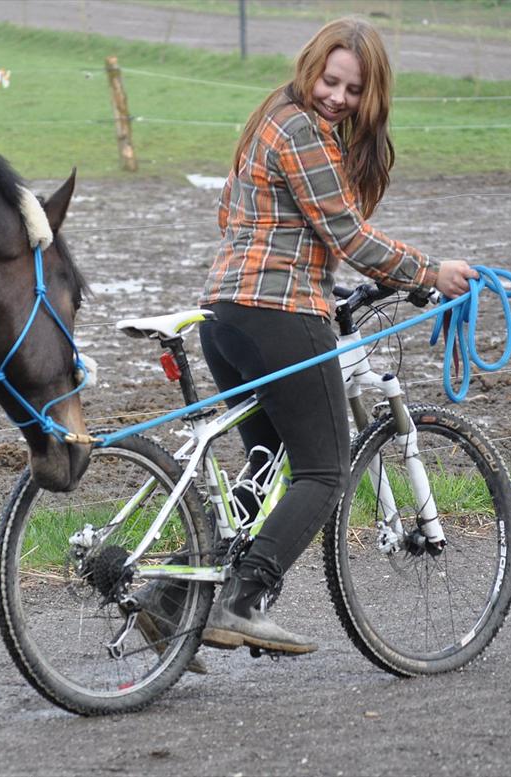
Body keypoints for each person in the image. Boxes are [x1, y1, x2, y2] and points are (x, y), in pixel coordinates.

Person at [187, 16, 479, 654]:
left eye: (353, 92)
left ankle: (171, 596)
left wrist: (319, 280)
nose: (338, 98)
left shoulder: (268, 119)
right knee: (324, 470)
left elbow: (244, 219)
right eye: (331, 80)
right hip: (277, 315)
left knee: (261, 472)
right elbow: (346, 234)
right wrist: (431, 270)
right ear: (310, 65)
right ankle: (242, 599)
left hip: (224, 315)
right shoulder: (301, 130)